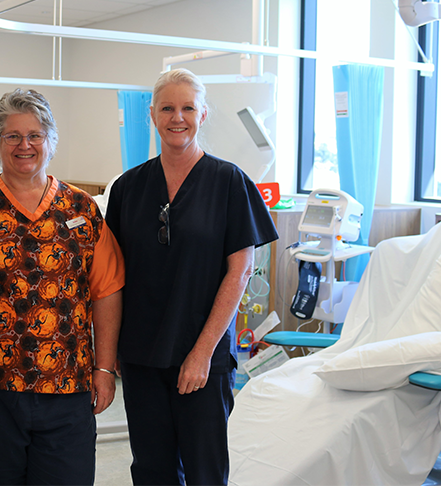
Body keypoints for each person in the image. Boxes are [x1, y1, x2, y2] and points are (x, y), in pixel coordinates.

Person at [0, 88, 125, 485]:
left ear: (51, 141)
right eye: (12, 136)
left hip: (67, 386)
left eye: (35, 135)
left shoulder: (83, 210)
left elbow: (106, 290)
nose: (25, 145)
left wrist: (104, 369)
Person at [105, 68, 279, 485]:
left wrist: (201, 354)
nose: (176, 117)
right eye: (167, 108)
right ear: (152, 114)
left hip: (202, 354)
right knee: (151, 470)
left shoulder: (229, 182)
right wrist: (108, 357)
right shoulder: (129, 188)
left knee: (205, 470)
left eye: (187, 108)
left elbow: (239, 272)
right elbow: (112, 276)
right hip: (142, 355)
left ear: (202, 115)